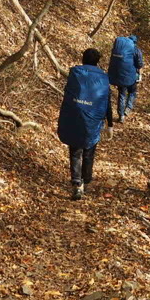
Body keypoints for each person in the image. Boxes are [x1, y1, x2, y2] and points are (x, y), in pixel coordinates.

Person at [57, 48, 114, 200]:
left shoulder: (75, 73)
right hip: (93, 121)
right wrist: (110, 124)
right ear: (97, 62)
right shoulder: (103, 78)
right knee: (88, 150)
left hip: (74, 117)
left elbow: (68, 95)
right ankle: (85, 180)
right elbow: (107, 102)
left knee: (75, 151)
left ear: (83, 59)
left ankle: (77, 183)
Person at [108, 34, 144, 123]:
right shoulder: (136, 50)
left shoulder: (120, 49)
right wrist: (140, 75)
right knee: (132, 92)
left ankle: (121, 116)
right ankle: (128, 108)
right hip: (131, 77)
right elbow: (139, 65)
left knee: (122, 94)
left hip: (120, 76)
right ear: (135, 42)